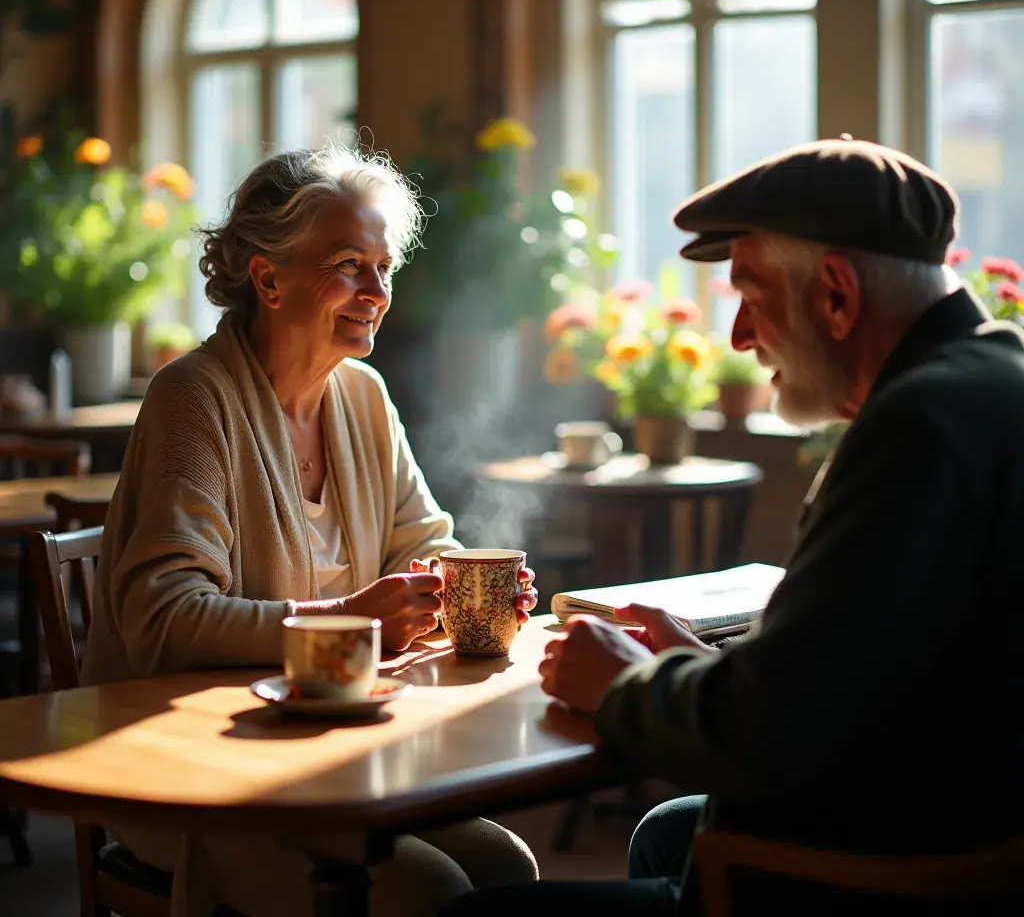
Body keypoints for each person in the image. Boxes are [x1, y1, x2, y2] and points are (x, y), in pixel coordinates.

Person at [436, 138, 1024, 916]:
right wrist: (700, 664)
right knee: (665, 833)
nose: (740, 338)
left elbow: (770, 732)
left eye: (752, 295)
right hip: (949, 816)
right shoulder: (991, 381)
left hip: (883, 875)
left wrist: (625, 682)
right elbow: (875, 666)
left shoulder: (916, 428)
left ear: (837, 295)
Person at [81, 143, 539, 917]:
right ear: (267, 278)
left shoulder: (361, 394)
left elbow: (422, 539)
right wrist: (349, 619)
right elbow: (164, 618)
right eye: (350, 265)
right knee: (432, 893)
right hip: (191, 773)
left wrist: (467, 585)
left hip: (329, 754)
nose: (377, 291)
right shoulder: (193, 398)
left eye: (384, 267)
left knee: (506, 867)